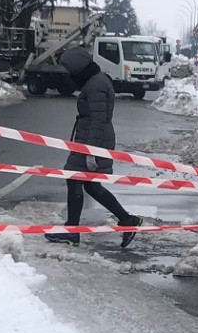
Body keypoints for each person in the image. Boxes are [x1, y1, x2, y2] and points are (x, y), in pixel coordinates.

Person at [47, 46, 142, 248]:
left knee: (75, 180)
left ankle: (72, 232)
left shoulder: (96, 85)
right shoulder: (95, 81)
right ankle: (127, 220)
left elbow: (98, 121)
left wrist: (91, 153)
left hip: (92, 141)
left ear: (78, 67)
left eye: (69, 68)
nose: (69, 73)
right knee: (90, 185)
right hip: (90, 139)